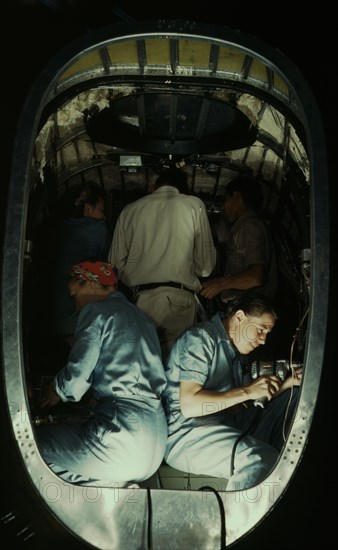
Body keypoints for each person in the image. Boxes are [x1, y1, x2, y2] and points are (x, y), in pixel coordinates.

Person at [35, 261, 168, 487]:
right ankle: (114, 486)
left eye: (73, 295)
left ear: (88, 282)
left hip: (123, 433)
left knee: (31, 446)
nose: (75, 305)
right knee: (72, 465)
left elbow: (77, 376)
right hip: (155, 444)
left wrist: (56, 390)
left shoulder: (97, 310)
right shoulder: (142, 318)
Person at [162, 290, 302, 491]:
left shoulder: (237, 353)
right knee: (257, 459)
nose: (263, 340)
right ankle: (236, 520)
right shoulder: (201, 339)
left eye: (267, 333)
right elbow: (190, 405)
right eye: (261, 329)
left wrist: (289, 383)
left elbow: (239, 406)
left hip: (227, 425)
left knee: (293, 398)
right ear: (239, 317)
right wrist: (247, 391)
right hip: (187, 434)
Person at [109, 167, 217, 360]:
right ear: (183, 190)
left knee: (143, 367)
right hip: (179, 300)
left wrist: (140, 276)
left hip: (140, 302)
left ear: (154, 186)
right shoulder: (193, 205)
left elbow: (114, 266)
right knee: (176, 370)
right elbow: (206, 267)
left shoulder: (130, 210)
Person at [39, 182, 112, 338]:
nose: (104, 216)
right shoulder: (97, 229)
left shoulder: (53, 229)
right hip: (76, 314)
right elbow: (109, 267)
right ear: (88, 209)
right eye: (102, 210)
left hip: (46, 312)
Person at [200, 175, 277, 303]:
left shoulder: (248, 226)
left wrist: (220, 284)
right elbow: (219, 233)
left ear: (236, 197)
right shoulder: (244, 226)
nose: (224, 207)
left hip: (247, 309)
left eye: (226, 200)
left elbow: (256, 277)